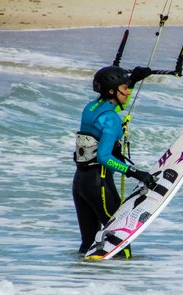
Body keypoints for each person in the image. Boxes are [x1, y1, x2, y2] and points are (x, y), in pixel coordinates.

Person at [72, 65, 156, 258]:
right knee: (120, 243)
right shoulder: (111, 120)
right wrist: (135, 172)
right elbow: (104, 157)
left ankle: (80, 281)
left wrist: (132, 81)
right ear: (112, 91)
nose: (127, 92)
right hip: (99, 184)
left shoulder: (91, 108)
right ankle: (124, 283)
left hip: (80, 183)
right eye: (124, 88)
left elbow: (115, 103)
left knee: (88, 243)